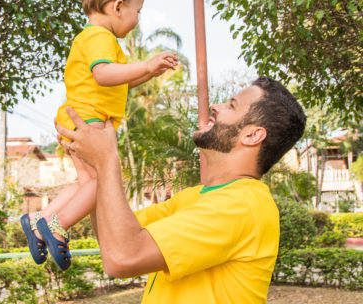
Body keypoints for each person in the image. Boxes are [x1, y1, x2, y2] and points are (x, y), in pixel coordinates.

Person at [55, 76, 306, 303]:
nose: (216, 107)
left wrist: (107, 160)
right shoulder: (194, 198)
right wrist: (93, 175)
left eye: (231, 105)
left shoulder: (243, 205)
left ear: (252, 135)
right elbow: (114, 241)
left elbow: (123, 258)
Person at [21, 0, 178, 270]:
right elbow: (105, 75)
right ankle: (56, 226)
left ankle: (38, 222)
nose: (137, 18)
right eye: (138, 11)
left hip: (76, 117)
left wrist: (146, 74)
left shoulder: (95, 38)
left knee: (86, 183)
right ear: (118, 7)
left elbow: (117, 80)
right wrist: (146, 65)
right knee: (101, 182)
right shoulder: (100, 38)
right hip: (89, 120)